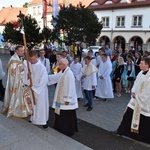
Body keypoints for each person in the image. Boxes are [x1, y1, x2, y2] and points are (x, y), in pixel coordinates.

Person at [113, 57, 150, 144]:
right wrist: (133, 91)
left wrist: (137, 96)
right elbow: (135, 84)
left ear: (147, 65)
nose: (139, 64)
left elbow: (148, 91)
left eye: (142, 63)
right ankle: (120, 131)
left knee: (144, 121)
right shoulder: (141, 73)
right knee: (127, 116)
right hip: (134, 100)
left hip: (144, 103)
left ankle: (146, 138)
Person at [48, 58, 78, 136]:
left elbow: (70, 87)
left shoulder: (69, 74)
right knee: (60, 113)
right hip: (60, 97)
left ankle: (66, 130)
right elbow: (55, 77)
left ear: (64, 65)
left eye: (60, 64)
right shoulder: (63, 72)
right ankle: (59, 127)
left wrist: (68, 99)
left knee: (66, 115)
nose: (58, 65)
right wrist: (45, 77)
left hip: (65, 99)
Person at [2, 45, 32, 118]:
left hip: (22, 81)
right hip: (16, 82)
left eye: (23, 51)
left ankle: (22, 110)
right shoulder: (13, 60)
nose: (23, 52)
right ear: (16, 51)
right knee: (17, 95)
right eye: (21, 51)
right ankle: (16, 110)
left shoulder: (20, 58)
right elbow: (13, 73)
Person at [27, 51, 49, 129]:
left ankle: (43, 121)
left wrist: (35, 87)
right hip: (32, 88)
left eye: (33, 59)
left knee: (41, 106)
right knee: (33, 105)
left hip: (40, 90)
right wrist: (28, 76)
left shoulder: (41, 67)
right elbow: (25, 77)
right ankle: (33, 118)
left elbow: (44, 80)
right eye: (30, 59)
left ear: (37, 57)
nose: (32, 61)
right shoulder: (29, 65)